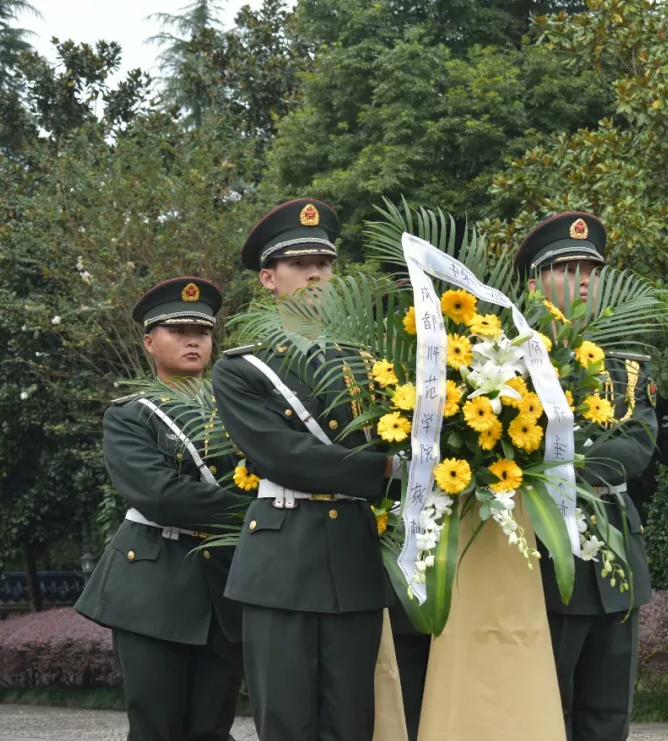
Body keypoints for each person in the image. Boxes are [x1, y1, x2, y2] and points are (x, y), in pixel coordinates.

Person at [212, 198, 399, 741]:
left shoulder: (370, 360)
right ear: (269, 278)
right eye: (299, 263)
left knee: (352, 725)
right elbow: (282, 456)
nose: (316, 272)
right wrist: (387, 468)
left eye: (324, 262)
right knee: (289, 724)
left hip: (354, 561)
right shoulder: (242, 368)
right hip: (282, 561)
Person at [75, 277, 248, 741]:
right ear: (150, 342)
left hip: (221, 587)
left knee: (213, 729)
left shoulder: (238, 409)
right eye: (178, 330)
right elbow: (159, 496)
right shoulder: (131, 414)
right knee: (157, 727)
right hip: (154, 587)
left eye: (203, 331)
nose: (194, 339)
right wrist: (254, 509)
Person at [514, 211, 659, 741]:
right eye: (567, 268)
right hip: (545, 563)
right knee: (546, 715)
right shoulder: (510, 364)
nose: (582, 280)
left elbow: (637, 446)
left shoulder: (626, 367)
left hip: (616, 558)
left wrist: (563, 464)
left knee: (608, 717)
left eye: (591, 270)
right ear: (534, 283)